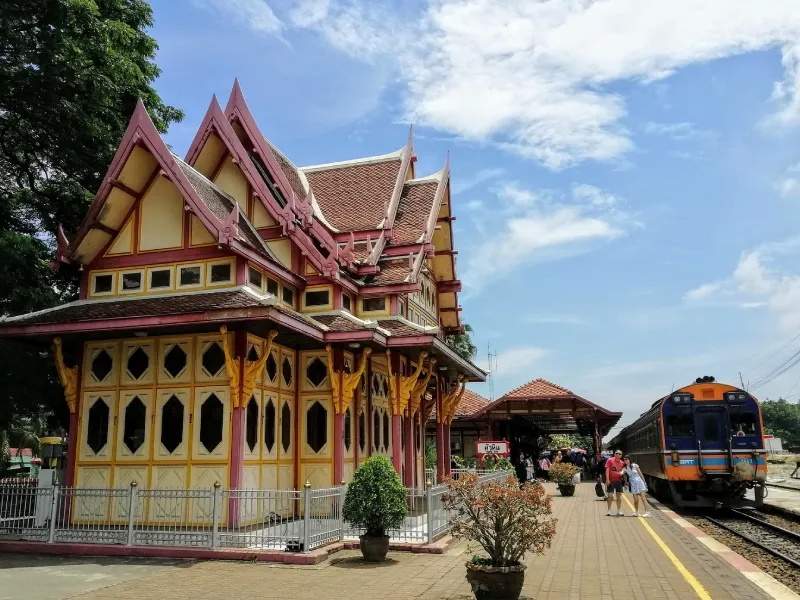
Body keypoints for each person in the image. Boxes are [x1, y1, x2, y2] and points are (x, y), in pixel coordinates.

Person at [605, 450, 625, 516]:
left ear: (621, 455)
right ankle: (609, 510)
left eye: (619, 454)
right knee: (610, 496)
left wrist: (625, 482)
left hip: (618, 481)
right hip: (611, 481)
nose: (618, 455)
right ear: (614, 454)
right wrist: (607, 480)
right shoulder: (610, 460)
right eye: (616, 453)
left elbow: (623, 472)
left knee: (618, 496)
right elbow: (607, 470)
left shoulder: (622, 463)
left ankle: (618, 511)